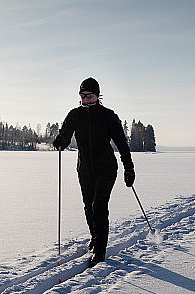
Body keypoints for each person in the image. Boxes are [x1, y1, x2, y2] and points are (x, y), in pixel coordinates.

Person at [53, 77, 135, 267]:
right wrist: (60, 141)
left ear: (98, 96)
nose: (86, 99)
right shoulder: (74, 115)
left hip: (106, 168)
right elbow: (65, 134)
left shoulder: (108, 115)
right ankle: (95, 236)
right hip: (85, 169)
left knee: (99, 206)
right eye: (83, 96)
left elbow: (122, 143)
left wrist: (129, 167)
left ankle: (100, 251)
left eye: (90, 95)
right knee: (88, 206)